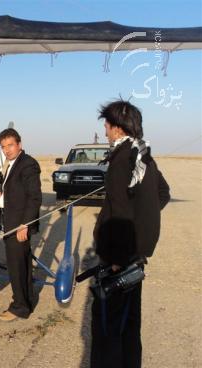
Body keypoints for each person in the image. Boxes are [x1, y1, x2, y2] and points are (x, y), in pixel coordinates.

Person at [91, 100, 170, 368]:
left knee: (109, 329)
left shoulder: (123, 159)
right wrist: (142, 221)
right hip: (135, 256)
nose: (104, 131)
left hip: (120, 260)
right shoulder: (144, 156)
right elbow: (162, 194)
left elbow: (121, 212)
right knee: (130, 326)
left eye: (107, 125)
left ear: (118, 128)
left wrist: (116, 259)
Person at [0, 128, 42, 322]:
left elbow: (34, 198)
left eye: (10, 145)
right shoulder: (13, 164)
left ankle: (19, 307)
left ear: (19, 144)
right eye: (3, 147)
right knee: (22, 265)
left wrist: (24, 225)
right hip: (13, 223)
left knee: (17, 267)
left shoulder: (27, 165)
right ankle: (26, 301)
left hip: (18, 226)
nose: (7, 150)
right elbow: (17, 195)